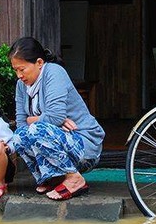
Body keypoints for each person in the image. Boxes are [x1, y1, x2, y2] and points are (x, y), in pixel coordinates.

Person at [8, 36, 105, 201]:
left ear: (39, 62)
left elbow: (55, 116)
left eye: (22, 69)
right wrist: (49, 121)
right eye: (15, 70)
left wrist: (36, 120)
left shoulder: (54, 72)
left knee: (37, 130)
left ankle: (74, 179)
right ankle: (53, 177)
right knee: (19, 137)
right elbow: (21, 124)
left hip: (83, 145)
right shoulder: (21, 86)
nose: (19, 75)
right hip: (62, 140)